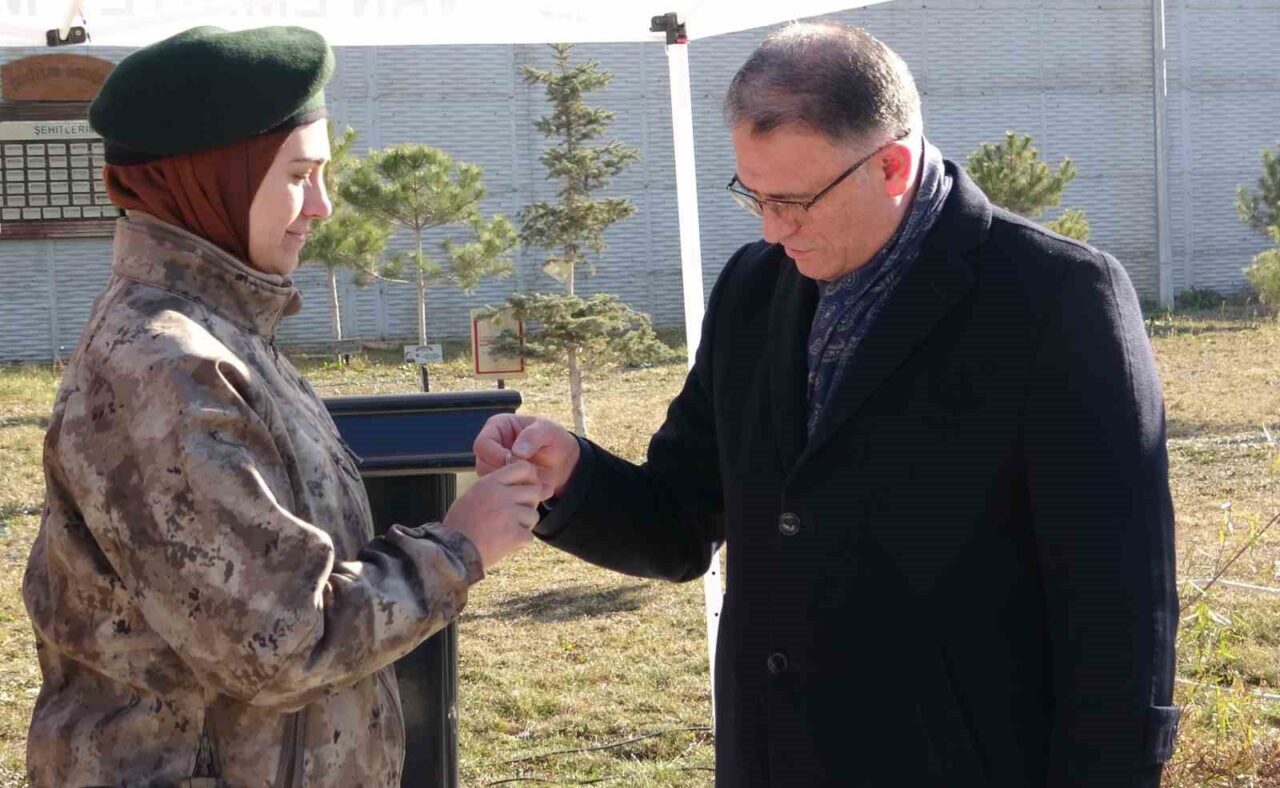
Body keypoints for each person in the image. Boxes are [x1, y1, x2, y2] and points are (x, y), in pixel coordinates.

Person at [475, 21, 1180, 788]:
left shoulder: (1055, 298)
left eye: (795, 201)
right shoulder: (752, 290)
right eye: (754, 196)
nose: (773, 228)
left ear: (892, 166)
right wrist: (572, 475)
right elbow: (680, 518)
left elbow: (1121, 610)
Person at [22, 26, 539, 787]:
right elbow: (279, 643)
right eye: (300, 174)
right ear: (212, 177)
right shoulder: (165, 365)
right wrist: (459, 547)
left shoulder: (222, 334)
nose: (322, 206)